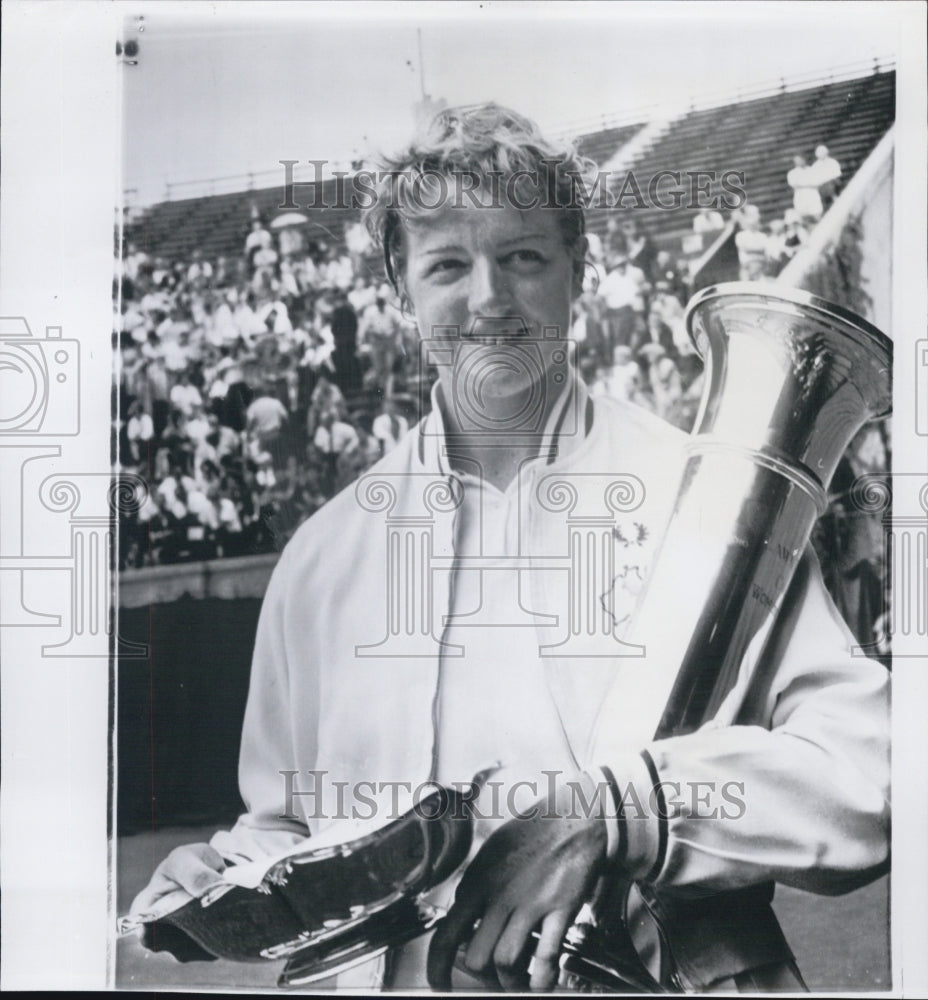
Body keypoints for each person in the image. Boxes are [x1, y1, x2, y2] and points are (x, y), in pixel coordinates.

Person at [128, 104, 889, 993]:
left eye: (523, 256)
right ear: (399, 285)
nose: (488, 297)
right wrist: (228, 881)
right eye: (448, 264)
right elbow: (296, 830)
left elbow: (873, 767)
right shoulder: (321, 557)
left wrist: (622, 809)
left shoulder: (712, 497)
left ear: (579, 271)